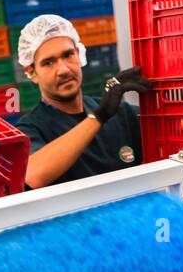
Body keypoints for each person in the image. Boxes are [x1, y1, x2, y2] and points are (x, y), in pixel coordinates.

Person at [14, 14, 152, 188]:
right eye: (48, 62)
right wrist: (99, 117)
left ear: (79, 55)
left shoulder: (120, 113)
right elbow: (32, 175)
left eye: (68, 55)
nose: (63, 69)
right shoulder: (30, 129)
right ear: (32, 72)